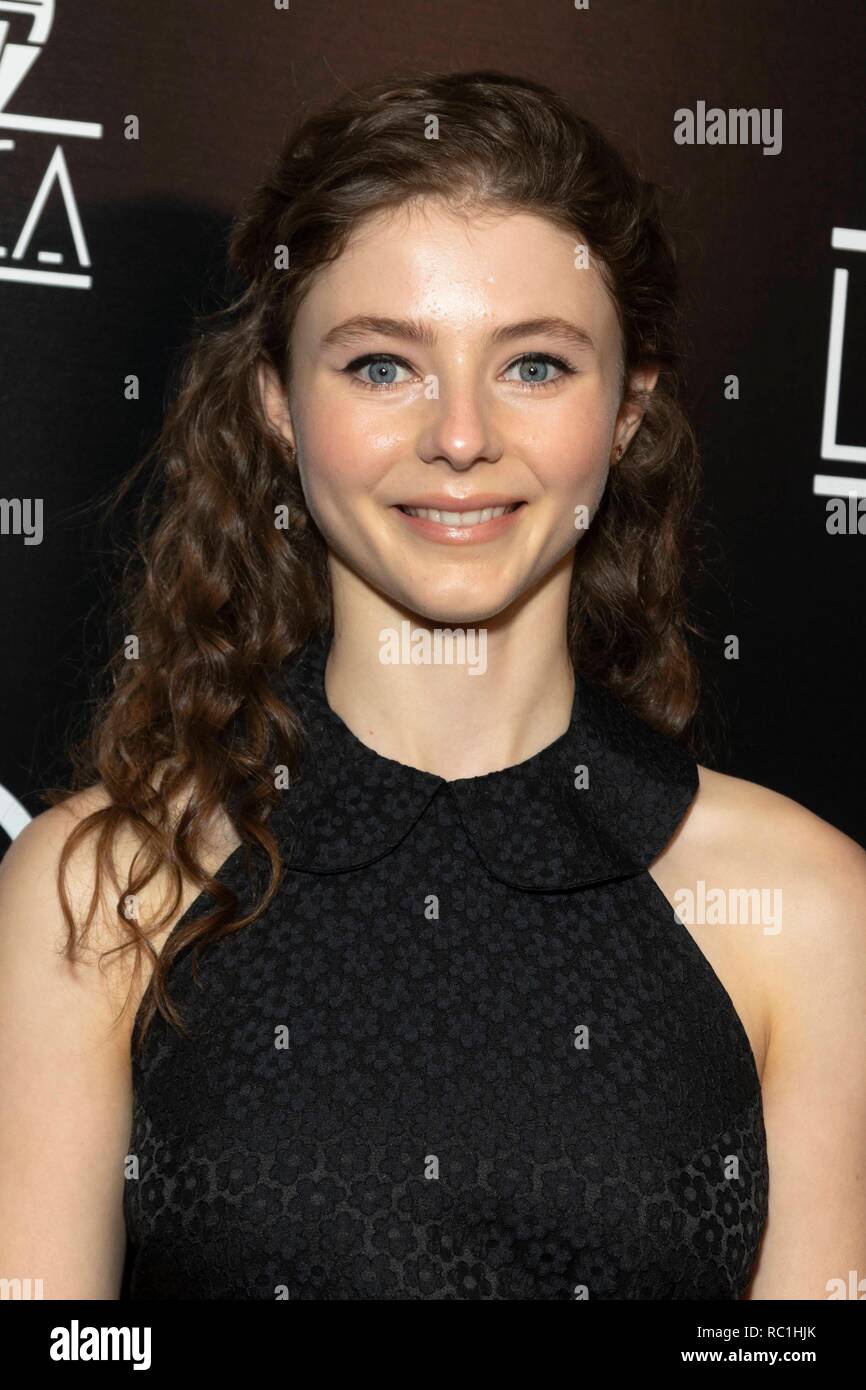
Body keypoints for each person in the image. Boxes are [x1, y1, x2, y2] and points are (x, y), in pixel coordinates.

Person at [1, 69, 864, 1301]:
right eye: (379, 367)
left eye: (533, 366)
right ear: (278, 408)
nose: (458, 435)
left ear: (627, 412)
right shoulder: (101, 890)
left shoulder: (814, 912)